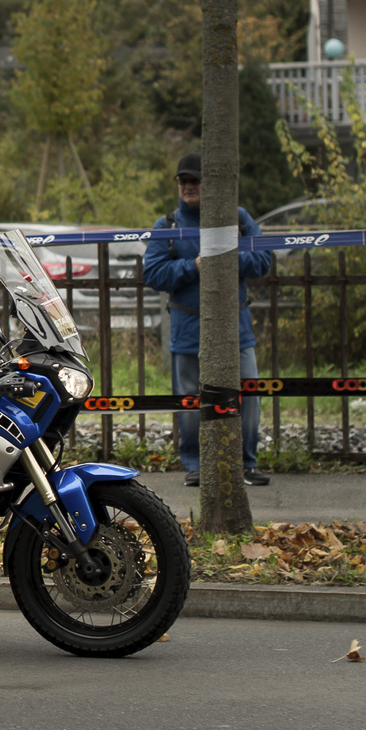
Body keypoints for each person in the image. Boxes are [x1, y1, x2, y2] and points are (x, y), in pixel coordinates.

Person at [142, 152, 273, 488]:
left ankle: (246, 463)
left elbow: (263, 260)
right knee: (188, 398)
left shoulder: (238, 218)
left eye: (195, 180)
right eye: (184, 181)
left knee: (248, 392)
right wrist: (194, 266)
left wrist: (227, 255)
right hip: (187, 328)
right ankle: (196, 465)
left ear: (210, 185)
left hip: (235, 327)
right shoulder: (167, 225)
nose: (189, 186)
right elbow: (153, 273)